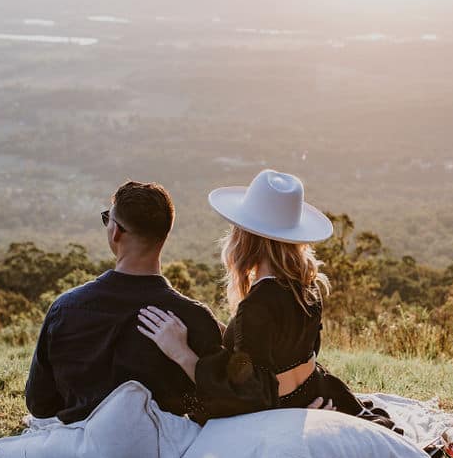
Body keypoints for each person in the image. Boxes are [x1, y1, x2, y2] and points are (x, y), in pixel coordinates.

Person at [138, 169, 401, 430]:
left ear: (246, 236)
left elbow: (251, 394)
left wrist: (182, 354)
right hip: (314, 389)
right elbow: (288, 351)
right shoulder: (306, 289)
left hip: (279, 407)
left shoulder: (257, 305)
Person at [24, 181, 224, 424]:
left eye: (108, 218)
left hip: (78, 449)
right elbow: (215, 403)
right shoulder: (195, 319)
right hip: (161, 455)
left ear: (116, 231)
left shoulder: (65, 309)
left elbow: (40, 404)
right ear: (164, 235)